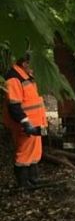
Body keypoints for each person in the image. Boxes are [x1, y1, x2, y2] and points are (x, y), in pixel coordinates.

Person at [3, 53, 47, 188]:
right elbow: (14, 106)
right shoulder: (14, 79)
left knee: (35, 152)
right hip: (25, 125)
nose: (34, 69)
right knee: (24, 155)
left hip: (36, 123)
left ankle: (33, 180)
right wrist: (25, 123)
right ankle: (23, 184)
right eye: (32, 65)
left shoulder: (26, 77)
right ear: (25, 63)